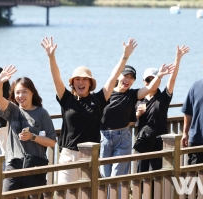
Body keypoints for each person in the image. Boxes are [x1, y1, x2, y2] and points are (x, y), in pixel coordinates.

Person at [40, 36, 137, 184]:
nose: (81, 82)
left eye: (85, 79)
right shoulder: (67, 99)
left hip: (90, 155)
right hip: (68, 155)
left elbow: (113, 78)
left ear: (90, 83)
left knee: (89, 193)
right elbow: (56, 78)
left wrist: (125, 56)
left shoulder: (97, 100)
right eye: (77, 79)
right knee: (66, 193)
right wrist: (51, 57)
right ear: (72, 83)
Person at [100, 61, 175, 178]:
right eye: (126, 76)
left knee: (117, 176)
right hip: (128, 139)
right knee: (105, 176)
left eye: (131, 77)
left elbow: (158, 85)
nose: (128, 79)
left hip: (142, 139)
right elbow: (131, 121)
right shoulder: (107, 93)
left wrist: (161, 74)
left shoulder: (135, 95)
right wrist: (137, 114)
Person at [0, 65, 56, 192]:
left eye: (24, 91)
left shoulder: (42, 113)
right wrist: (0, 83)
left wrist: (33, 137)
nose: (20, 95)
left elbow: (52, 142)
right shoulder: (12, 110)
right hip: (13, 165)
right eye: (17, 92)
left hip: (35, 166)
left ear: (32, 92)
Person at [135, 45, 189, 172]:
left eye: (153, 79)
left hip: (159, 142)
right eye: (147, 80)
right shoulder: (138, 98)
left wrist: (178, 58)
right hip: (142, 142)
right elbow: (130, 119)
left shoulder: (163, 97)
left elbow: (173, 79)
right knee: (140, 175)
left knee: (156, 176)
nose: (150, 83)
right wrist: (136, 114)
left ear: (159, 81)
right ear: (143, 82)